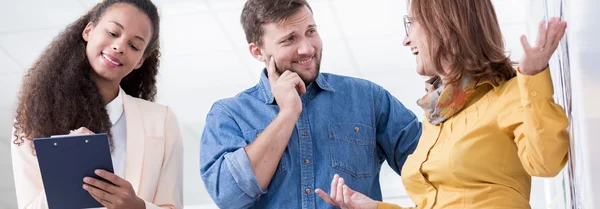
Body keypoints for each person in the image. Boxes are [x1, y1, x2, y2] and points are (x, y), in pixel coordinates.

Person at [316, 0, 570, 208]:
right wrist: (372, 206)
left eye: (411, 24)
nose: (406, 40)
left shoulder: (509, 94)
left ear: (443, 25)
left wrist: (533, 76)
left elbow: (546, 163)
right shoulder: (436, 118)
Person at [199, 0, 422, 208]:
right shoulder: (229, 115)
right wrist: (287, 115)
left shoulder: (369, 99)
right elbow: (229, 196)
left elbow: (437, 171)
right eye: (289, 39)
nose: (307, 48)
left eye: (310, 32)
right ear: (257, 51)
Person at [10, 0, 183, 208]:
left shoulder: (161, 121)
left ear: (140, 61)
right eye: (112, 33)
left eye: (134, 46)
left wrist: (138, 206)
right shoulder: (34, 117)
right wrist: (66, 171)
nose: (119, 46)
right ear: (88, 31)